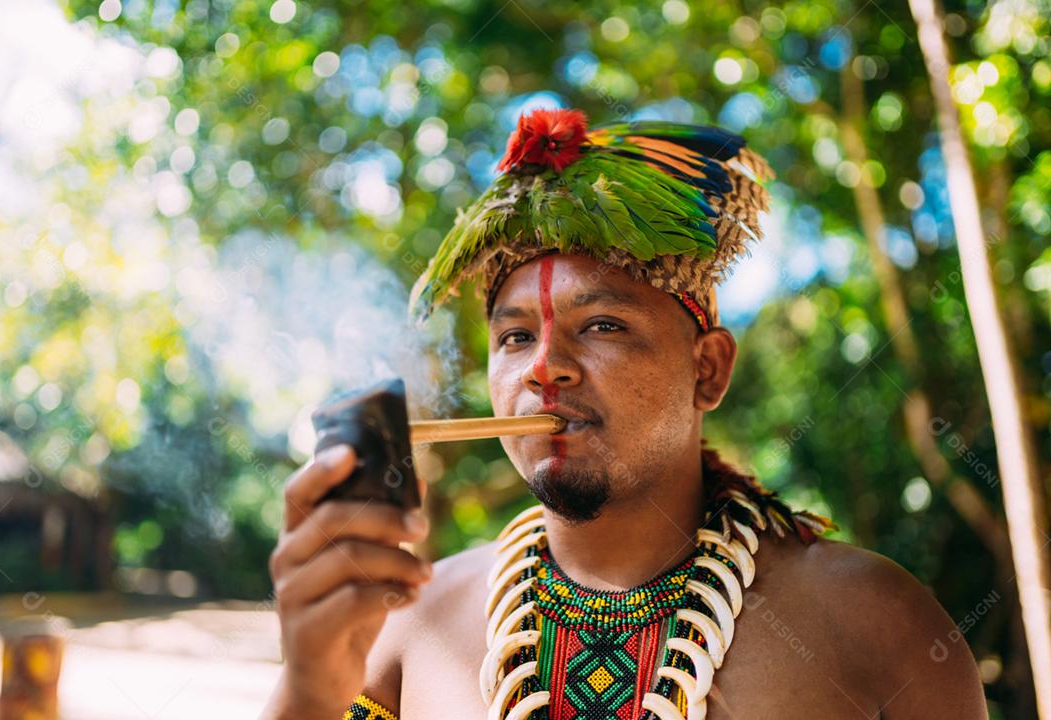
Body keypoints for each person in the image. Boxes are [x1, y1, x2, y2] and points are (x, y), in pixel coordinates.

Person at [262, 108, 988, 719]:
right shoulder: (407, 631)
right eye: (515, 337)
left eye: (603, 325)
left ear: (708, 369)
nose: (543, 365)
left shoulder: (878, 625)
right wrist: (306, 689)